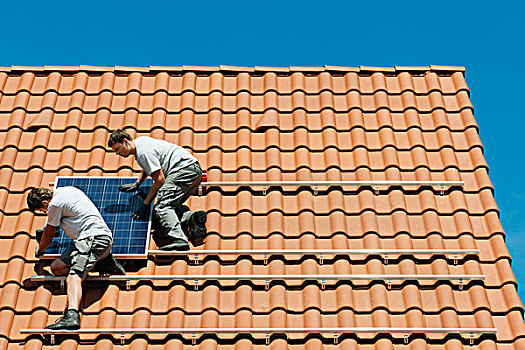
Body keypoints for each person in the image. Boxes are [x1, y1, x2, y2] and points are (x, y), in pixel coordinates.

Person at [27, 186, 125, 330]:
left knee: (74, 276)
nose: (45, 213)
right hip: (88, 242)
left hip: (93, 239)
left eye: (43, 211)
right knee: (57, 268)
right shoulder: (66, 191)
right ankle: (104, 264)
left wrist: (40, 249)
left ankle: (72, 315)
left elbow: (49, 232)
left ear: (44, 203)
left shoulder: (54, 204)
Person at [107, 129, 207, 251]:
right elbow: (149, 166)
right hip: (194, 172)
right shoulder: (141, 144)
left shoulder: (143, 152)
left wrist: (145, 204)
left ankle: (178, 239)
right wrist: (138, 184)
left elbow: (160, 180)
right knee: (169, 209)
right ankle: (190, 218)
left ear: (125, 141)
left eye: (117, 149)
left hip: (182, 170)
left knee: (162, 207)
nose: (118, 154)